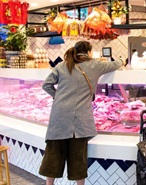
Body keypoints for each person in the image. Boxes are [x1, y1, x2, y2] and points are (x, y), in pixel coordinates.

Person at [39, 41, 123, 185]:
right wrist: (122, 59)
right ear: (89, 51)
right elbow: (116, 64)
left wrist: (57, 96)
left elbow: (46, 85)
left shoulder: (61, 65)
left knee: (53, 154)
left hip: (59, 116)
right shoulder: (96, 65)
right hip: (81, 119)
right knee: (78, 156)